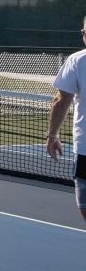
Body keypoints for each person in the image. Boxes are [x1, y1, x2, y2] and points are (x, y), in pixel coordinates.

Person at [47, 17, 86, 224]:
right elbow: (61, 101)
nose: (84, 35)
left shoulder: (77, 61)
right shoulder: (77, 61)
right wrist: (53, 134)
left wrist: (52, 135)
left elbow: (61, 101)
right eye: (84, 31)